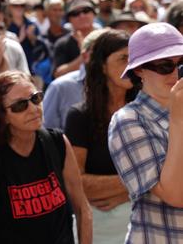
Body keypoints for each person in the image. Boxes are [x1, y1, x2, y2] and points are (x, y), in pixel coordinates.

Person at [0, 70, 92, 244]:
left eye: (35, 98)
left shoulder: (58, 142)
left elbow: (82, 208)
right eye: (20, 105)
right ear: (2, 116)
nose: (33, 109)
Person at [108, 22, 183, 243]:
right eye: (164, 66)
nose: (176, 73)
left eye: (181, 64)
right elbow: (175, 195)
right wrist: (178, 120)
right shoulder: (128, 121)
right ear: (140, 70)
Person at [64, 29, 135, 243]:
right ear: (102, 66)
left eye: (134, 59)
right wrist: (139, 184)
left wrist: (126, 191)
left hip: (143, 221)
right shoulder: (80, 116)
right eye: (123, 58)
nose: (131, 65)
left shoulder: (146, 110)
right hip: (97, 226)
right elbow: (78, 184)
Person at [43, 29, 106, 130]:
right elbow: (47, 129)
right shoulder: (60, 87)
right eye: (102, 52)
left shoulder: (124, 84)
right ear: (85, 55)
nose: (106, 58)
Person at [53, 0, 96, 78]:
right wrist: (84, 56)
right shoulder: (62, 43)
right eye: (75, 13)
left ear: (94, 14)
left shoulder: (105, 38)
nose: (82, 15)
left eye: (86, 11)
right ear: (69, 19)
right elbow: (58, 74)